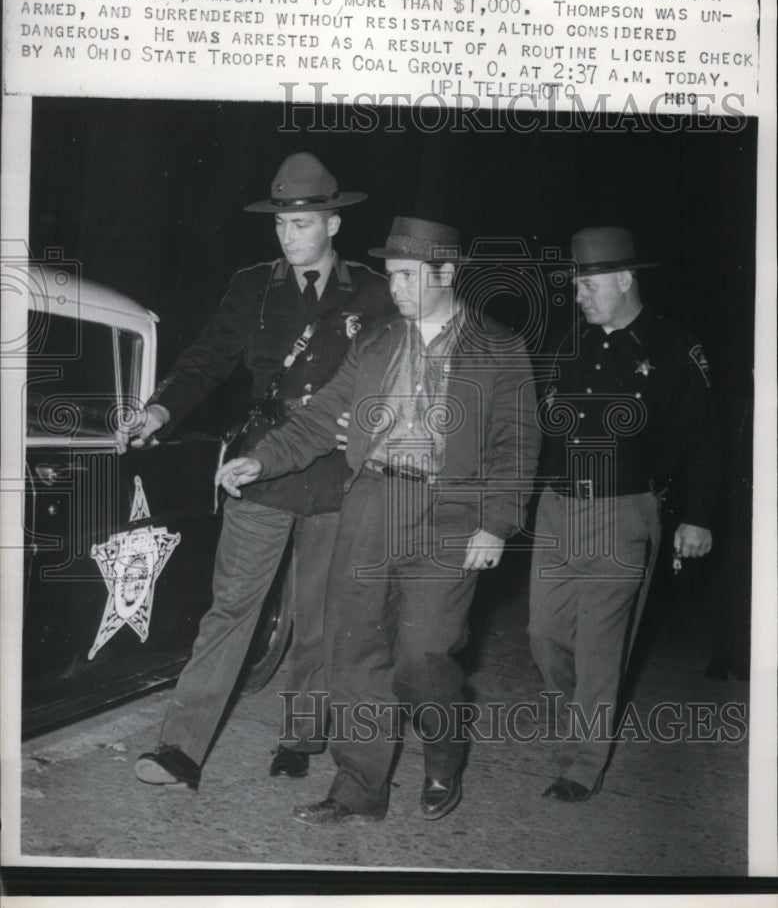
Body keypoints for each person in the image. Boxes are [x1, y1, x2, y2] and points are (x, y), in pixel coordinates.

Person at [217, 216, 542, 824]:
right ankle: (359, 788)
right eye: (391, 277)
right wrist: (260, 459)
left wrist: (498, 522)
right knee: (355, 652)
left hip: (450, 514)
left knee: (424, 657)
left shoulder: (499, 347)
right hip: (370, 500)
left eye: (409, 277)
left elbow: (516, 441)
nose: (396, 289)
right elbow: (320, 420)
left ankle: (444, 757)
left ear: (447, 274)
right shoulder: (376, 339)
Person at [130, 152, 394, 789]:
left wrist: (367, 425)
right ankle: (180, 749)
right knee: (230, 610)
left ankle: (302, 736)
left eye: (301, 224)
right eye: (281, 225)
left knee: (319, 616)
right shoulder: (253, 286)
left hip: (335, 474)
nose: (288, 236)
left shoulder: (376, 293)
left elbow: (395, 380)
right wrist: (162, 407)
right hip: (262, 465)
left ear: (332, 224)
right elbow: (209, 357)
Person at [528, 226, 719, 802]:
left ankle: (582, 766)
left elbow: (705, 441)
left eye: (588, 282)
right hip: (558, 508)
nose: (578, 293)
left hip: (625, 512)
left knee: (601, 646)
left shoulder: (674, 348)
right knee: (544, 633)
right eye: (576, 282)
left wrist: (698, 515)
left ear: (624, 278)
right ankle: (590, 709)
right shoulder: (568, 342)